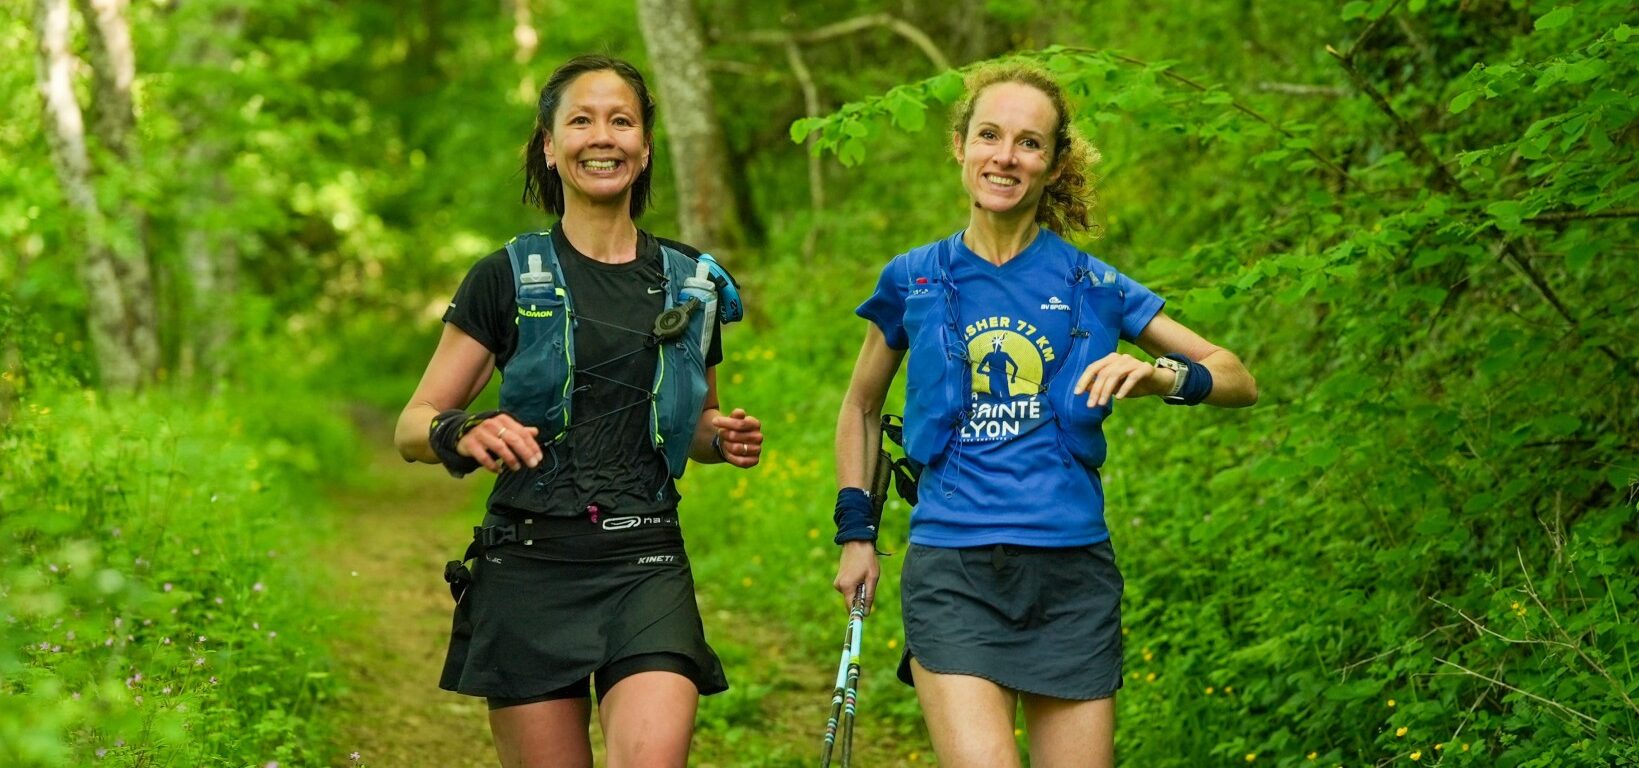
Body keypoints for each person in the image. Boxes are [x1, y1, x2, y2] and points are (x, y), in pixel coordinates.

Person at [831, 62, 1258, 767]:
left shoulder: (1093, 282)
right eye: (989, 135)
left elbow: (1238, 377)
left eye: (1029, 143)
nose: (1005, 156)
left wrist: (1158, 377)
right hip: (955, 570)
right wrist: (856, 532)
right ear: (961, 146)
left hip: (1072, 578)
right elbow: (862, 405)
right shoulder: (914, 277)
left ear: (1055, 165)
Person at [395, 54, 763, 768]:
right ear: (549, 145)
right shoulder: (504, 276)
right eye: (582, 120)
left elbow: (693, 426)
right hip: (529, 564)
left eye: (622, 120)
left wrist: (721, 437)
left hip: (645, 556)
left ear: (645, 146)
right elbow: (414, 424)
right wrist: (463, 430)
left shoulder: (692, 283)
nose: (604, 137)